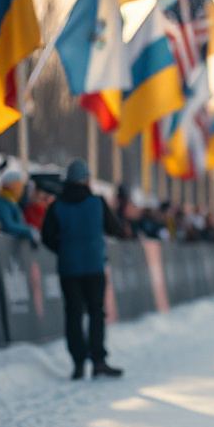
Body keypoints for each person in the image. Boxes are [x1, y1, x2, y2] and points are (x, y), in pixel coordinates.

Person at [41, 159, 127, 380]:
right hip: (94, 265)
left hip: (68, 267)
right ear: (86, 179)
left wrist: (64, 249)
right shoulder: (97, 202)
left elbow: (47, 237)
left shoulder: (56, 206)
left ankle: (78, 363)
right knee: (96, 312)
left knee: (73, 314)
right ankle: (98, 361)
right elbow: (115, 229)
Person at [0, 171, 37, 244]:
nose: (20, 188)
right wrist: (27, 231)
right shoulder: (2, 201)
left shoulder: (12, 201)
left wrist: (30, 229)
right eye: (17, 184)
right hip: (2, 244)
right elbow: (7, 225)